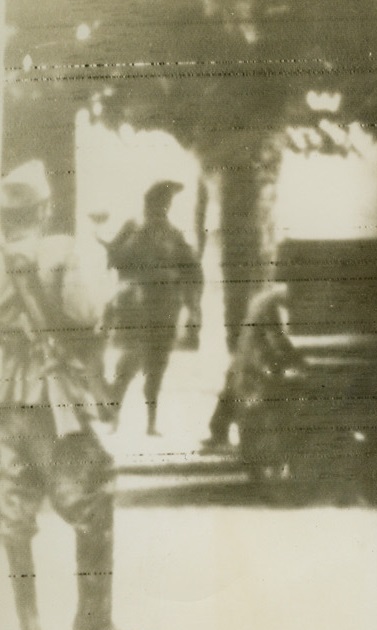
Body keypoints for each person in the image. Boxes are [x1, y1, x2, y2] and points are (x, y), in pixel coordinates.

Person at [0, 160, 137, 630]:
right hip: (48, 393)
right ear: (44, 208)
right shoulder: (59, 252)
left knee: (12, 508)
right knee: (93, 494)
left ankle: (29, 622)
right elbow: (84, 314)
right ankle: (93, 622)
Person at [106, 180, 203, 435]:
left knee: (158, 364)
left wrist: (192, 303)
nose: (163, 208)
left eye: (167, 203)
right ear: (149, 204)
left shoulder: (173, 234)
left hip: (166, 307)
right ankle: (112, 417)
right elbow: (115, 258)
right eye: (160, 203)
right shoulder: (133, 228)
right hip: (137, 306)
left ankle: (151, 422)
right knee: (128, 364)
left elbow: (191, 269)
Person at [199, 283, 301, 457]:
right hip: (253, 357)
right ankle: (247, 442)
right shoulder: (270, 305)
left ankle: (217, 433)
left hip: (244, 353)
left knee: (230, 392)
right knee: (252, 399)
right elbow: (275, 335)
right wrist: (294, 358)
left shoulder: (262, 299)